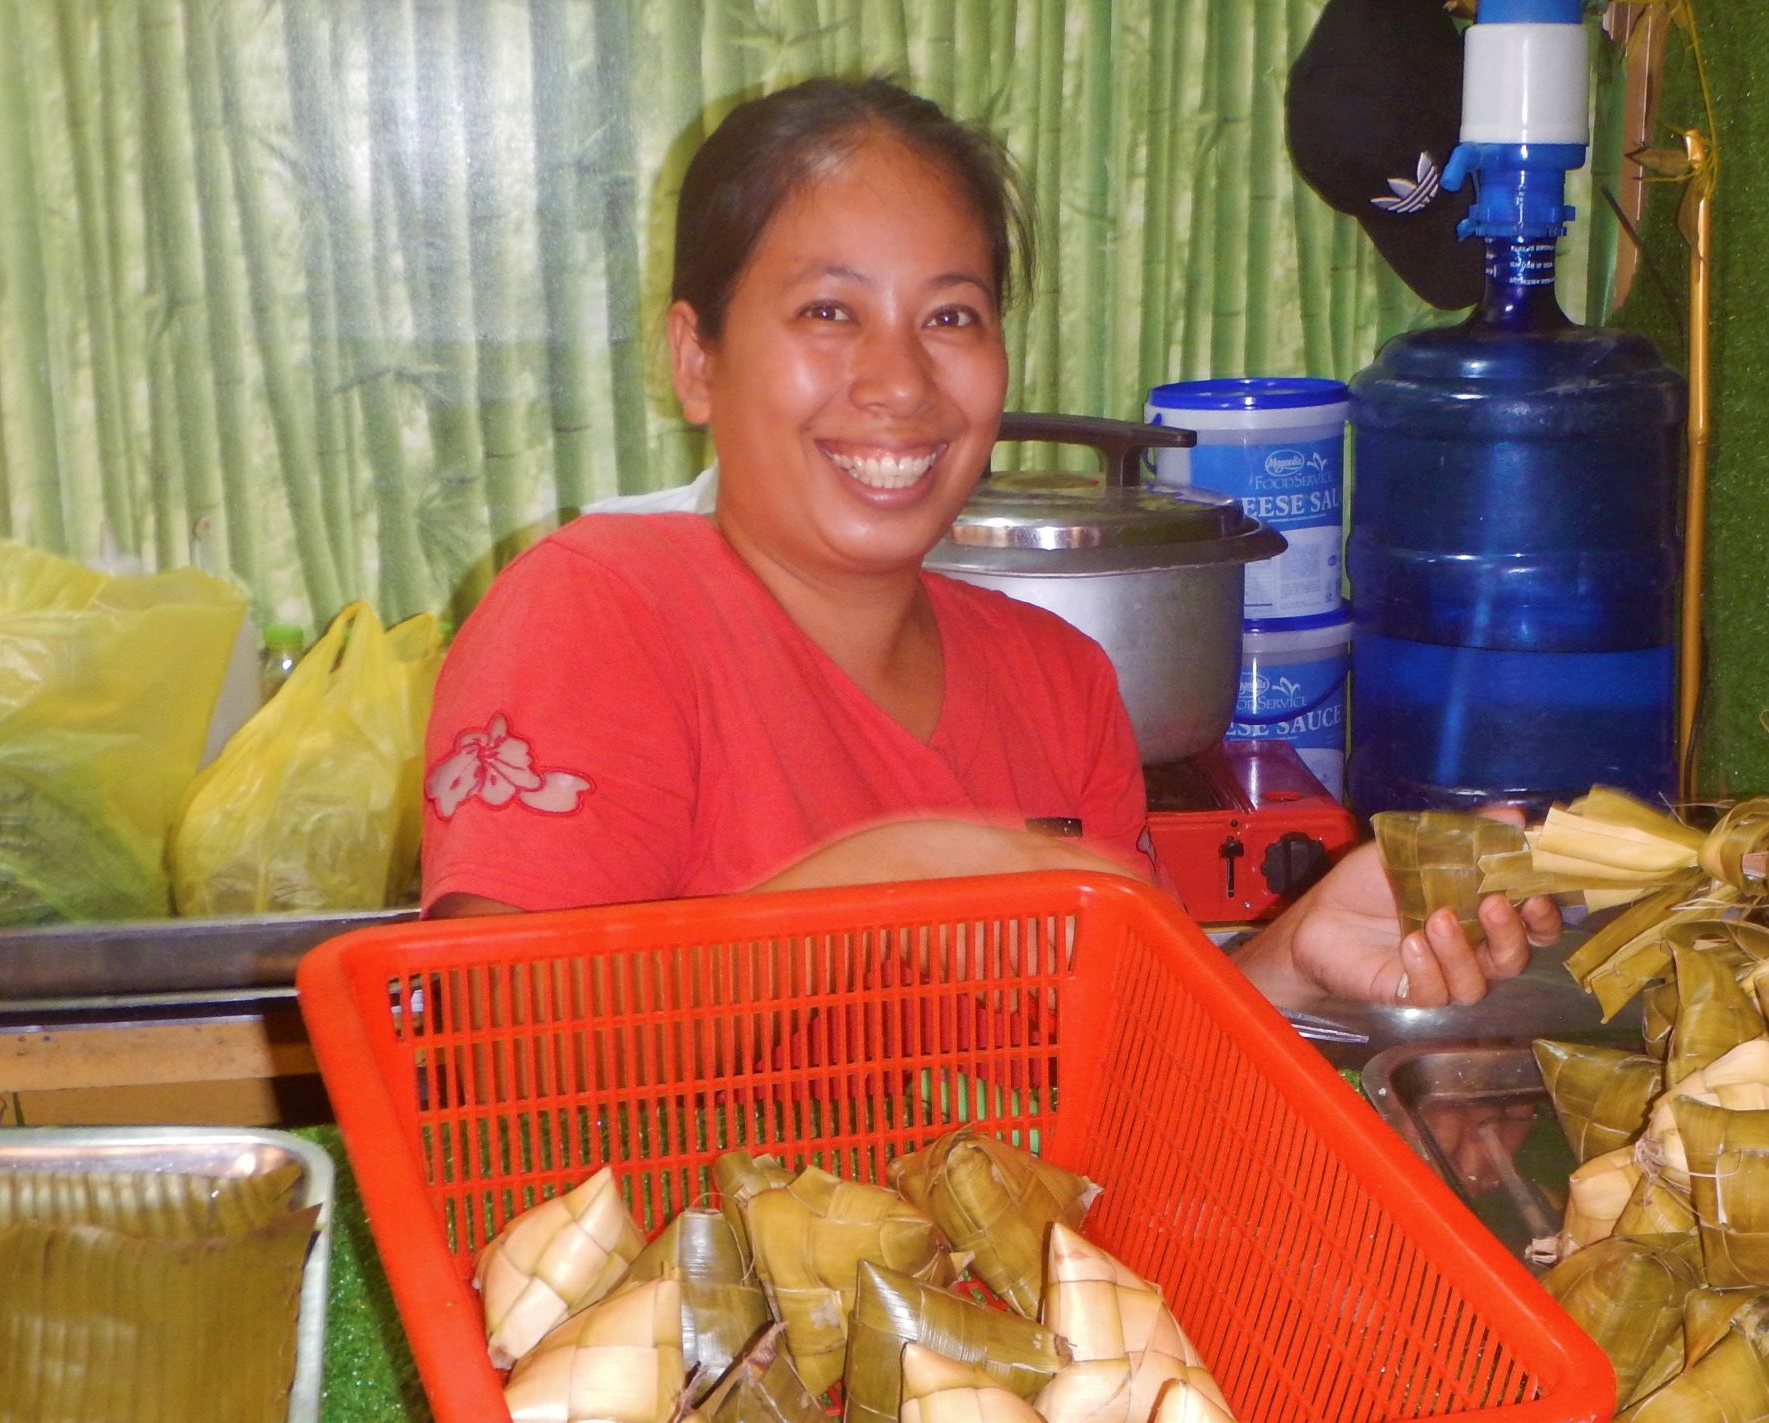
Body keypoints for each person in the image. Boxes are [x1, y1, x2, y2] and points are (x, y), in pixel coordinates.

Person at [421, 77, 1557, 1008]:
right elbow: (500, 1044)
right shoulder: (596, 612)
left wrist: (1295, 951)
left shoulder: (1057, 680)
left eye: (950, 315)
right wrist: (895, 886)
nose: (900, 380)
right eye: (829, 311)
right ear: (695, 358)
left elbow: (1119, 1052)